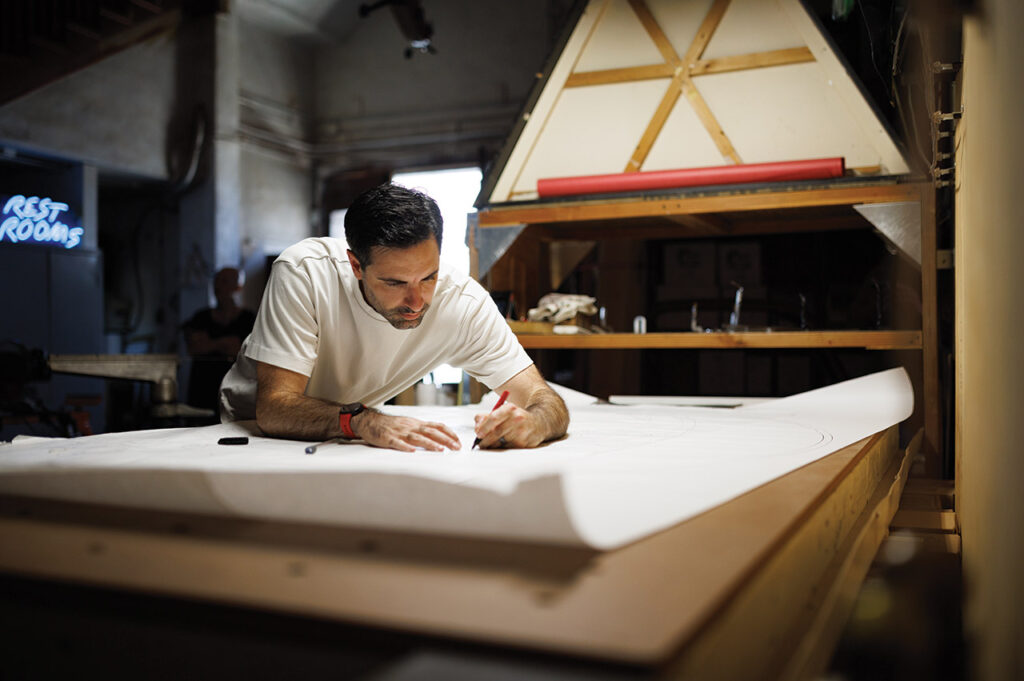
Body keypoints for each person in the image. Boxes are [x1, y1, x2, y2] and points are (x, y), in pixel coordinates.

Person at [219, 183, 569, 451]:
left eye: (429, 277)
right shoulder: (306, 274)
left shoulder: (464, 303)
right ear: (356, 265)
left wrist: (533, 423)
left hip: (349, 436)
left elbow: (544, 398)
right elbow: (274, 408)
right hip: (252, 436)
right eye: (394, 282)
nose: (416, 301)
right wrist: (364, 422)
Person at [182, 267, 256, 412]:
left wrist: (211, 343)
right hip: (203, 390)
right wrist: (225, 343)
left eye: (225, 281)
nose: (218, 287)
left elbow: (240, 349)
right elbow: (195, 348)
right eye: (217, 281)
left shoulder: (248, 319)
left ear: (237, 287)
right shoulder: (201, 317)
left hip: (235, 390)